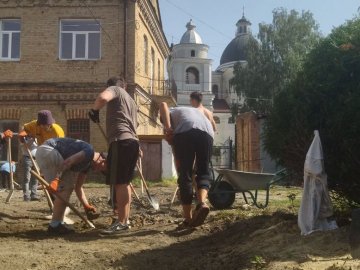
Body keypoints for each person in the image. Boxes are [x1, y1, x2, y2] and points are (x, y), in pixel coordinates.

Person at [89, 76, 139, 235]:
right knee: (125, 182)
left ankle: (122, 222)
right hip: (132, 142)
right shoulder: (131, 101)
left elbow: (103, 97)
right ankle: (126, 219)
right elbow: (135, 125)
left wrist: (95, 110)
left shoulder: (115, 90)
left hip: (120, 141)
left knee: (119, 182)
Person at [35, 137, 106, 235]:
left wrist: (86, 205)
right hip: (50, 151)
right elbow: (68, 162)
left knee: (65, 188)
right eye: (102, 169)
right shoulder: (89, 151)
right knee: (64, 189)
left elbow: (78, 187)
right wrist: (57, 179)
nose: (98, 171)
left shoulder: (87, 164)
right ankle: (55, 225)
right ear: (103, 160)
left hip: (45, 153)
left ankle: (57, 223)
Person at [160, 102, 214, 228]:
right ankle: (202, 204)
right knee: (204, 172)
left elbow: (163, 104)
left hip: (186, 130)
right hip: (208, 132)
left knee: (185, 176)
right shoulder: (189, 112)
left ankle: (188, 219)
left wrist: (168, 128)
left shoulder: (172, 112)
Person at [19, 110, 65, 201]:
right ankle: (53, 202)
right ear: (39, 123)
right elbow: (25, 128)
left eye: (47, 125)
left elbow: (62, 149)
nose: (45, 127)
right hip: (43, 154)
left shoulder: (57, 131)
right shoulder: (34, 125)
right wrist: (23, 133)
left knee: (55, 180)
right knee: (46, 180)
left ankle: (59, 201)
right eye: (43, 125)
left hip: (56, 154)